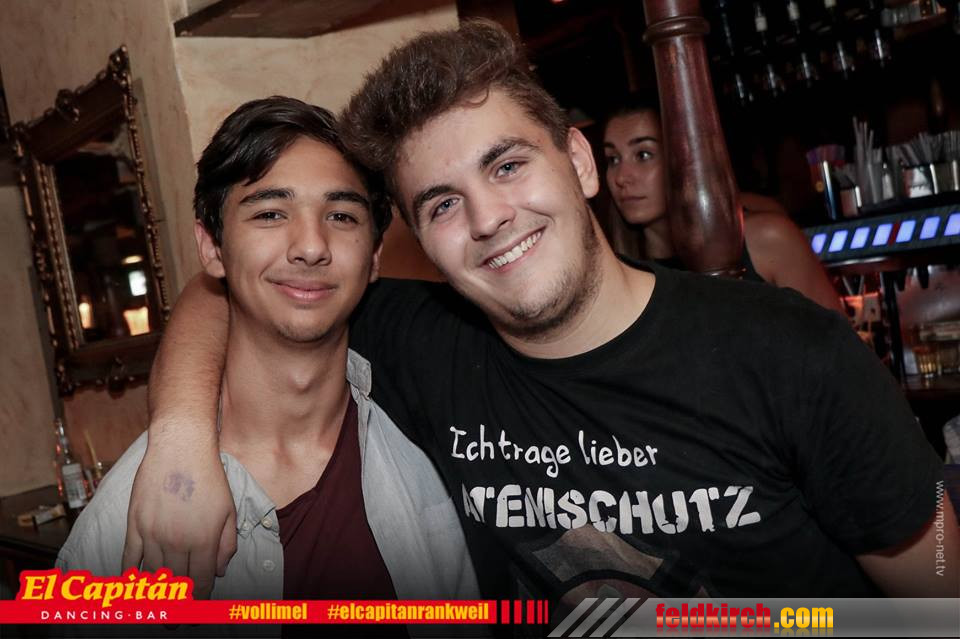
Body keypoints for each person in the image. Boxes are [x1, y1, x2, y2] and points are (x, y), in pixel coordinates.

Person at [122, 21, 957, 607]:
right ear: (418, 241)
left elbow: (942, 597)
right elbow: (233, 290)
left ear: (580, 163)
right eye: (443, 203)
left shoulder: (786, 350)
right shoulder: (424, 342)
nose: (489, 218)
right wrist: (181, 439)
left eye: (508, 165)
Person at [57, 97, 478, 610]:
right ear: (212, 247)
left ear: (373, 256)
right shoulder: (131, 521)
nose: (311, 246)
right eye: (271, 213)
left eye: (341, 215)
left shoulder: (428, 431)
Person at [602, 92, 843, 312]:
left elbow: (839, 341)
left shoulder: (767, 238)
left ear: (686, 156)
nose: (622, 177)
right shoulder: (617, 273)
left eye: (643, 155)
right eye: (613, 159)